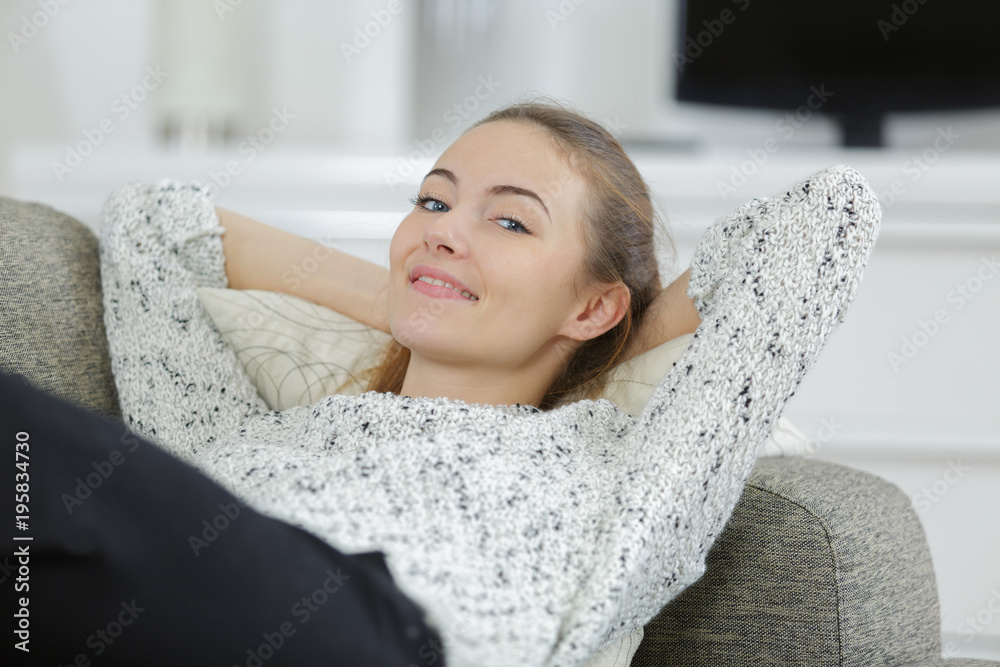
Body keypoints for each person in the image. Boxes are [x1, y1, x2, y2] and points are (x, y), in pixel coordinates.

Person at [4, 101, 880, 666]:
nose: (444, 230)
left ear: (593, 304)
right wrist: (401, 297)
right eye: (433, 202)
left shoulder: (620, 471)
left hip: (379, 636)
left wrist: (600, 340)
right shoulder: (254, 426)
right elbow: (154, 222)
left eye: (510, 221)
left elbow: (826, 215)